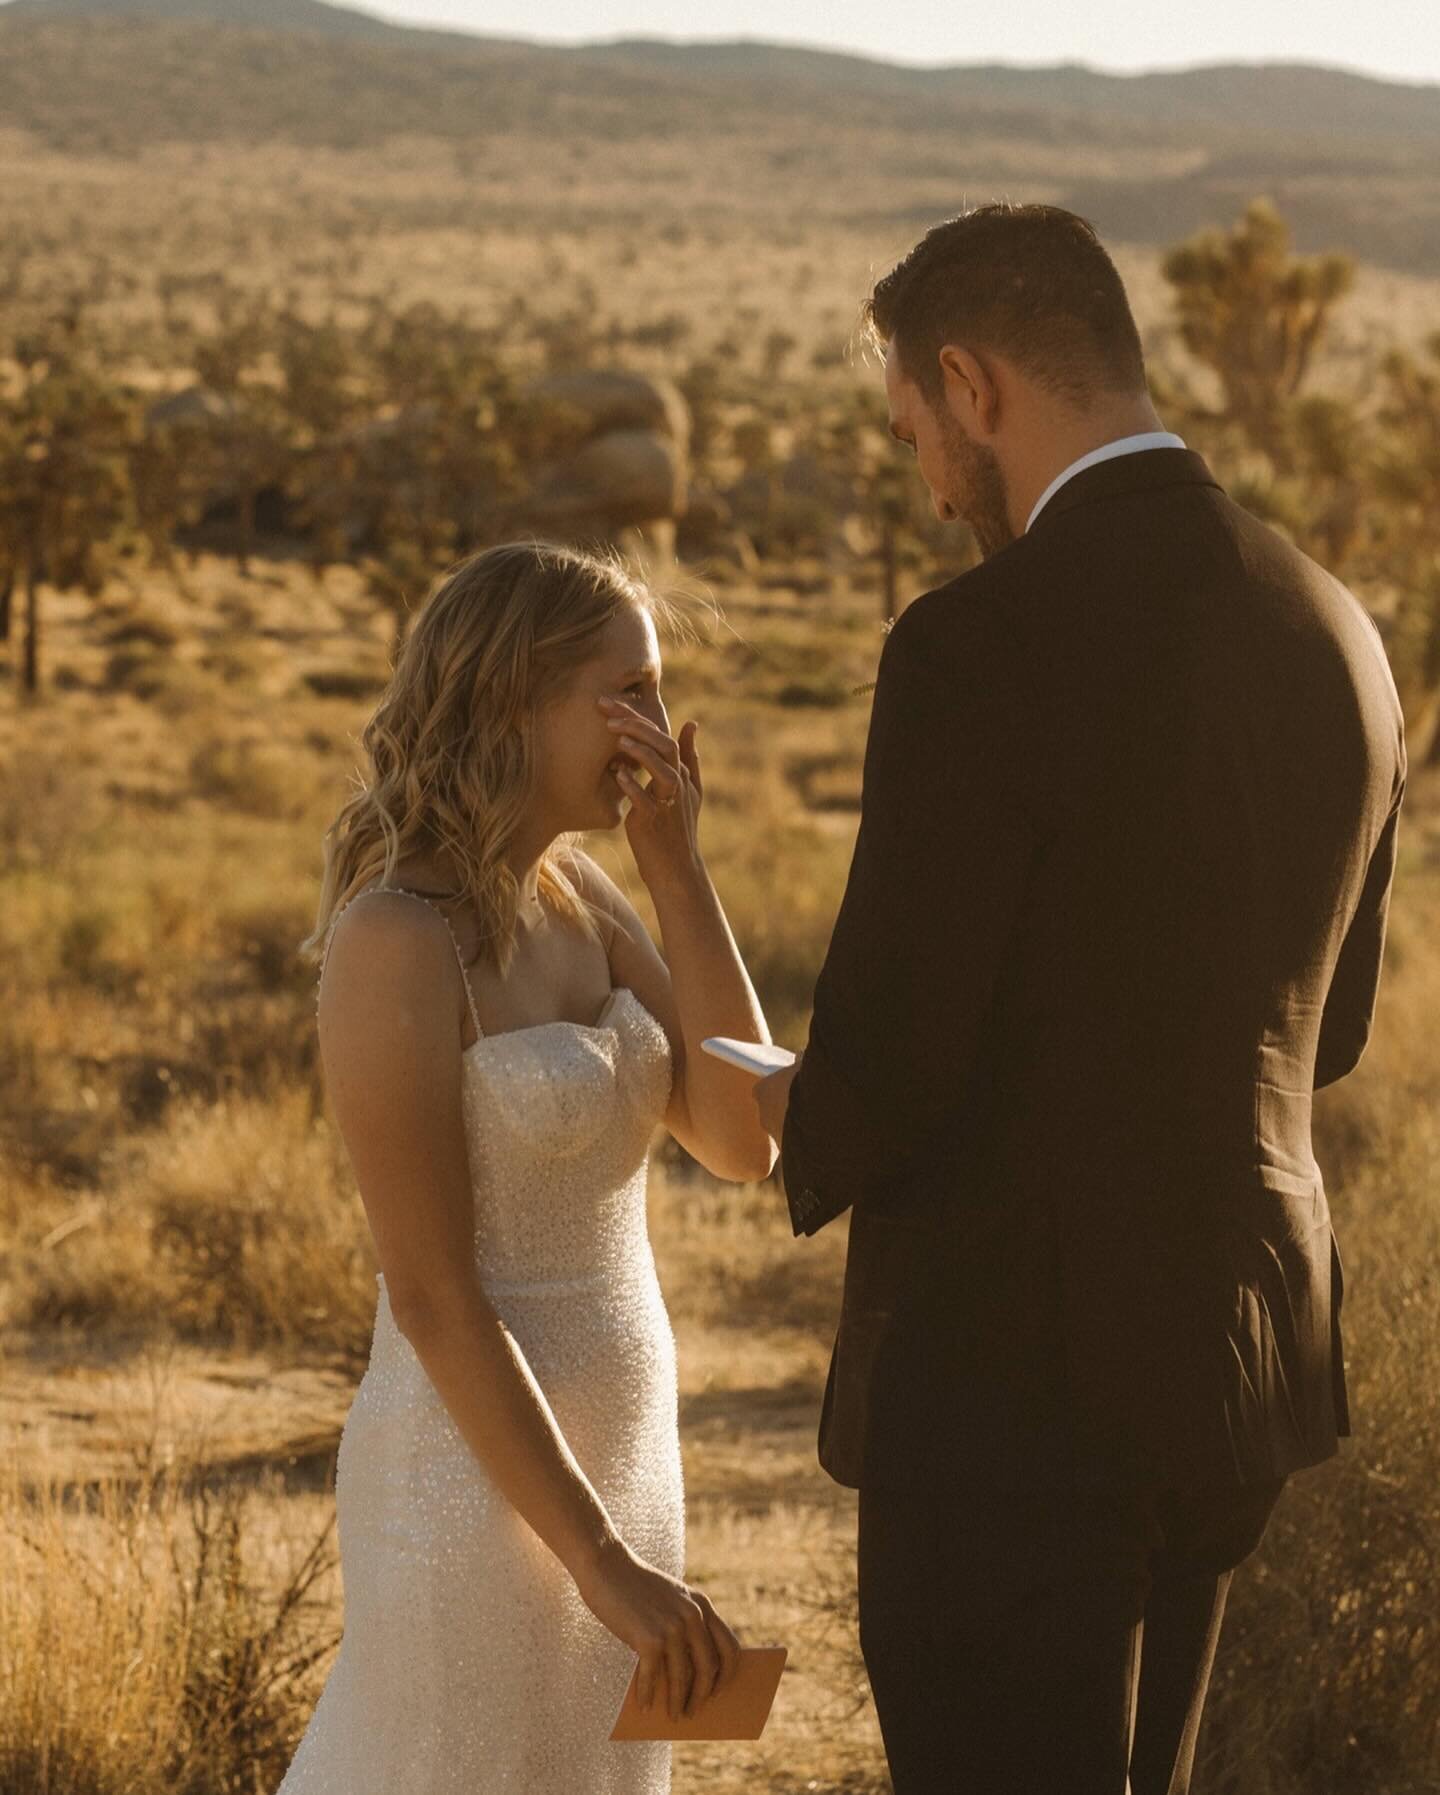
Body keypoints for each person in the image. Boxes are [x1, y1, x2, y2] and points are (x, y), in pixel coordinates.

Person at [752, 202, 1407, 1795]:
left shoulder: (981, 647)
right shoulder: (1338, 629)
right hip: (1241, 1362)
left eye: (916, 429)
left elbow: (888, 1071)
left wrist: (766, 1101)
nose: (926, 480)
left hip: (1011, 1390)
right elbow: (1335, 1028)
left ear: (971, 383)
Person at [279, 540, 776, 1793]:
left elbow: (744, 1131)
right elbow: (435, 1298)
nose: (660, 726)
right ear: (513, 698)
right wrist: (601, 1562)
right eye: (631, 691)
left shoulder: (589, 898)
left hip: (625, 1448)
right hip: (466, 1478)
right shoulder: (395, 939)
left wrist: (676, 868)